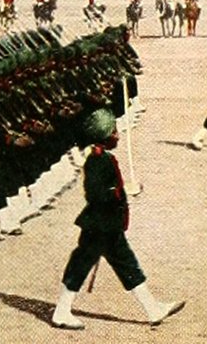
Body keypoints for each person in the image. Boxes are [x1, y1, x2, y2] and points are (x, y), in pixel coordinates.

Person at [51, 108, 185, 330]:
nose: (118, 135)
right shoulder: (99, 160)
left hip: (104, 224)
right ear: (104, 135)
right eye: (113, 132)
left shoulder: (101, 157)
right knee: (89, 266)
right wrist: (122, 191)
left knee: (119, 265)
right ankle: (61, 312)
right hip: (102, 225)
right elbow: (96, 194)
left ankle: (152, 309)